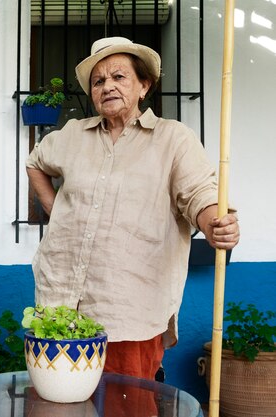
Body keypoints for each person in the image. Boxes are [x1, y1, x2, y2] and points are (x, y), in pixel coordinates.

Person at [26, 37, 239, 381]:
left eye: (119, 77)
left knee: (127, 405)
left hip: (128, 306)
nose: (107, 86)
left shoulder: (173, 139)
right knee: (60, 400)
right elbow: (35, 162)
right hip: (60, 302)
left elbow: (198, 192)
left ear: (144, 85)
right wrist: (55, 210)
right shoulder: (72, 135)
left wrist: (214, 221)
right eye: (98, 81)